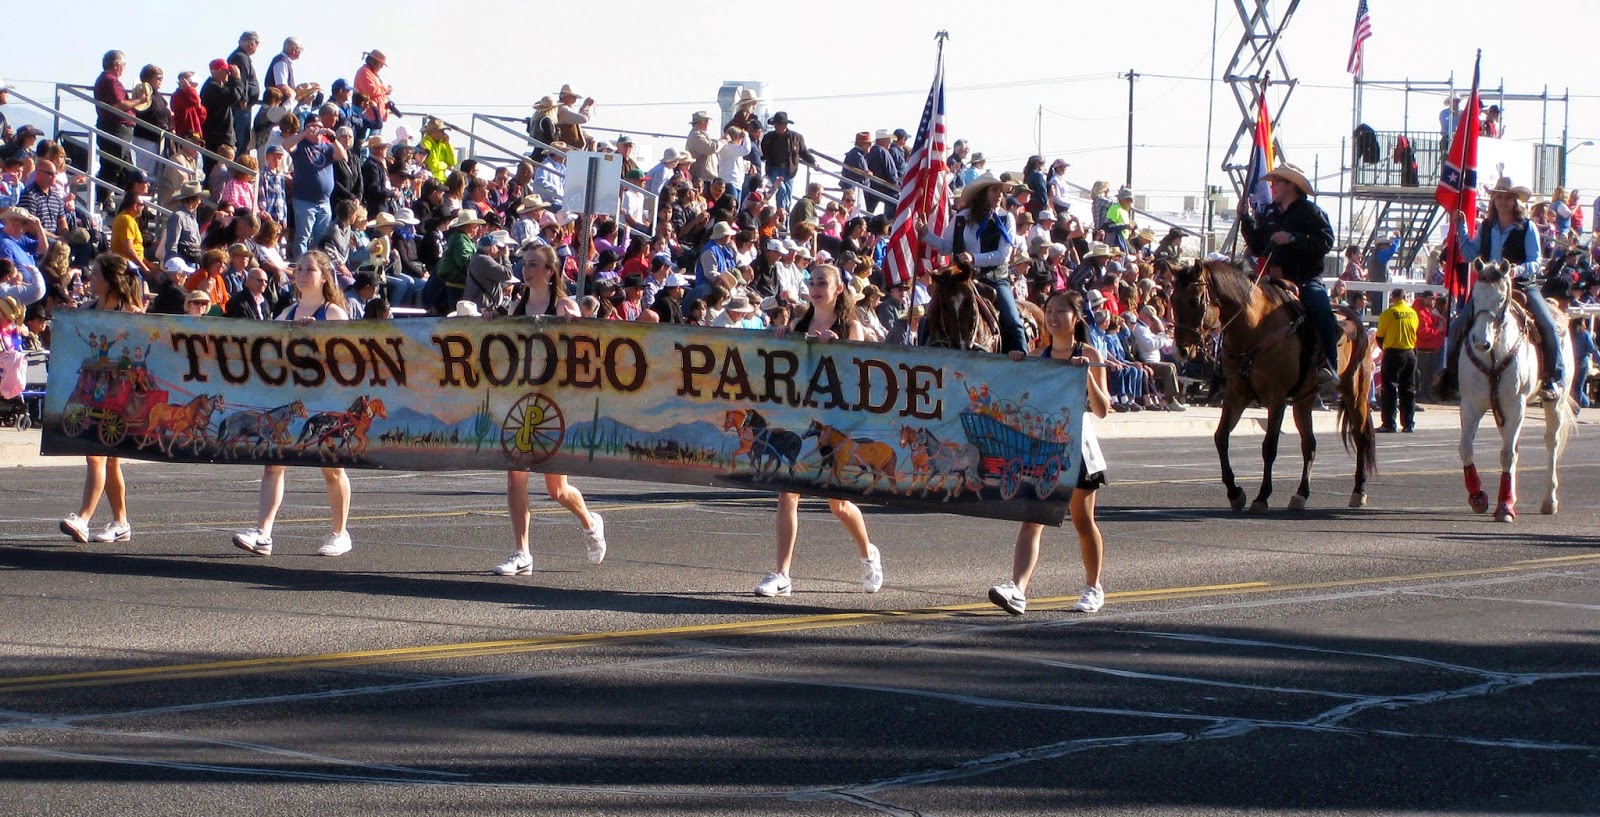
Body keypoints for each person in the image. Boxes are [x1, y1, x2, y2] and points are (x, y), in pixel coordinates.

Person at [754, 263, 883, 597]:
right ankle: (782, 574)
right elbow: (786, 365)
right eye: (811, 282)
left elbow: (856, 372)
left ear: (838, 289)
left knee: (837, 504)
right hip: (803, 418)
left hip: (836, 423)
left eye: (823, 282)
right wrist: (783, 339)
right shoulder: (799, 323)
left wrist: (835, 346)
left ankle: (868, 553)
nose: (815, 287)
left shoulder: (851, 325)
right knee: (787, 494)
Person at [989, 289, 1111, 616]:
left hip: (1079, 447)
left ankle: (1092, 586)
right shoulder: (1039, 355)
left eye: (1061, 311)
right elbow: (1019, 398)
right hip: (1043, 447)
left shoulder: (1089, 353)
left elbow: (1102, 409)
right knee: (1033, 519)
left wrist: (1085, 377)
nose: (1054, 317)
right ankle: (1017, 589)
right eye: (1050, 311)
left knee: (1083, 522)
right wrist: (1018, 367)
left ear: (1076, 317)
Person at [491, 242, 608, 575]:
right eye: (525, 264)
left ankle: (590, 522)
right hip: (521, 398)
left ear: (550, 270)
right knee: (515, 474)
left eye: (533, 264)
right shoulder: (518, 306)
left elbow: (585, 348)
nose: (527, 270)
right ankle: (521, 551)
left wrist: (575, 326)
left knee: (556, 489)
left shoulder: (563, 305)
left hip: (554, 401)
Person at [230, 250, 354, 557]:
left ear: (324, 277)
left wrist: (316, 336)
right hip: (290, 397)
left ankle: (340, 533)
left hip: (324, 400)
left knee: (331, 468)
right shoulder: (286, 314)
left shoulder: (335, 314)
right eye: (298, 268)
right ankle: (263, 533)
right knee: (274, 464)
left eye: (309, 269)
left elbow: (348, 361)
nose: (301, 274)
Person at [1438, 178, 1563, 400]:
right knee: (1457, 325)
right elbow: (1470, 254)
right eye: (1499, 196)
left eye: (1507, 197)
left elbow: (1536, 262)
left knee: (1548, 324)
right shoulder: (1486, 227)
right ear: (1493, 199)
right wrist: (1461, 227)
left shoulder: (1526, 227)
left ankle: (1555, 379)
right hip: (1489, 286)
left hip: (1521, 285)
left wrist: (1517, 270)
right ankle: (1449, 376)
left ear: (1516, 202)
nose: (1503, 202)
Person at [59, 254, 145, 545]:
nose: (89, 278)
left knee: (98, 455)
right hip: (93, 385)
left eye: (95, 274)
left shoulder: (132, 313)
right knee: (109, 462)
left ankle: (82, 518)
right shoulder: (86, 309)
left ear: (110, 280)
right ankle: (121, 523)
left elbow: (145, 349)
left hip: (117, 389)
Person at [1237, 163, 1340, 395]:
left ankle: (1329, 365)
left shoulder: (1311, 212)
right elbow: (1257, 247)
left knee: (1320, 309)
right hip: (1274, 280)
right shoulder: (1269, 214)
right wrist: (1244, 219)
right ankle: (1237, 367)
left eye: (1278, 182)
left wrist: (1293, 238)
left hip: (1305, 279)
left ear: (1291, 185)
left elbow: (1325, 242)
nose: (1272, 186)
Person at [918, 172, 1027, 353]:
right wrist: (926, 234)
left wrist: (973, 258)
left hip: (994, 277)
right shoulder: (961, 217)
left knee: (1012, 320)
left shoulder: (1007, 218)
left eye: (1001, 191)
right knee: (929, 315)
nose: (1000, 195)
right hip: (961, 278)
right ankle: (922, 357)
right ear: (982, 193)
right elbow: (946, 246)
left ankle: (1022, 362)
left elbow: (1003, 255)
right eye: (994, 190)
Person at [1375, 287, 1419, 433]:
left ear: (1393, 298)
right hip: (1410, 353)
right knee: (1408, 390)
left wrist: (1385, 349)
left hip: (1393, 353)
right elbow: (1415, 333)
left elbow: (1380, 335)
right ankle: (1408, 424)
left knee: (1389, 389)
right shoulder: (1413, 313)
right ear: (1405, 298)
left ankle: (1389, 423)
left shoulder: (1388, 313)